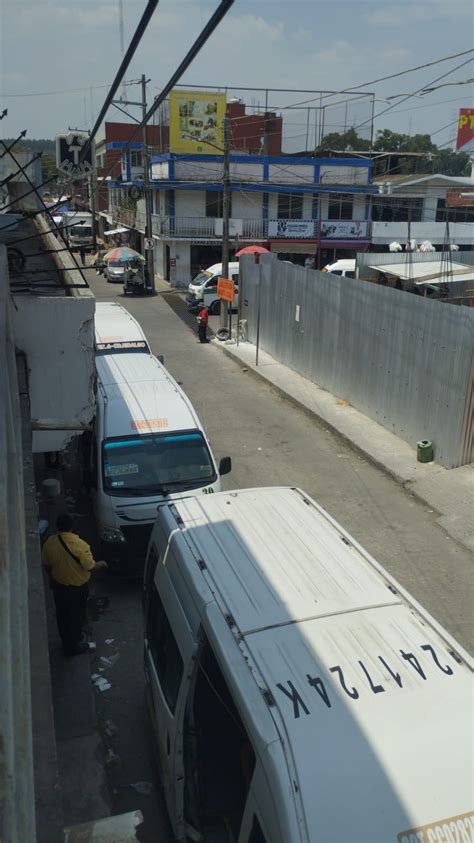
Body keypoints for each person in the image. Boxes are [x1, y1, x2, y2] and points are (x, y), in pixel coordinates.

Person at [42, 513, 107, 656]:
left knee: (63, 616)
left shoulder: (49, 543)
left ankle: (67, 640)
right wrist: (102, 564)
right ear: (72, 527)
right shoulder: (80, 546)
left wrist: (53, 577)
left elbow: (47, 565)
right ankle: (72, 647)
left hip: (59, 586)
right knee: (75, 616)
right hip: (77, 589)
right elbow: (90, 566)